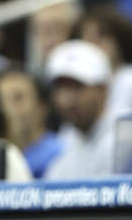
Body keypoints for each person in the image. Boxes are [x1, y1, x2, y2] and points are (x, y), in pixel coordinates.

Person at [42, 40, 116, 180]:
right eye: (61, 88)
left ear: (103, 90)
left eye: (77, 87)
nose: (67, 99)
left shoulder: (122, 142)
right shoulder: (65, 142)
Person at [0, 70, 63, 178]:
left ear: (42, 107)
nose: (6, 107)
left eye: (18, 98)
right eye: (0, 99)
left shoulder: (60, 155)